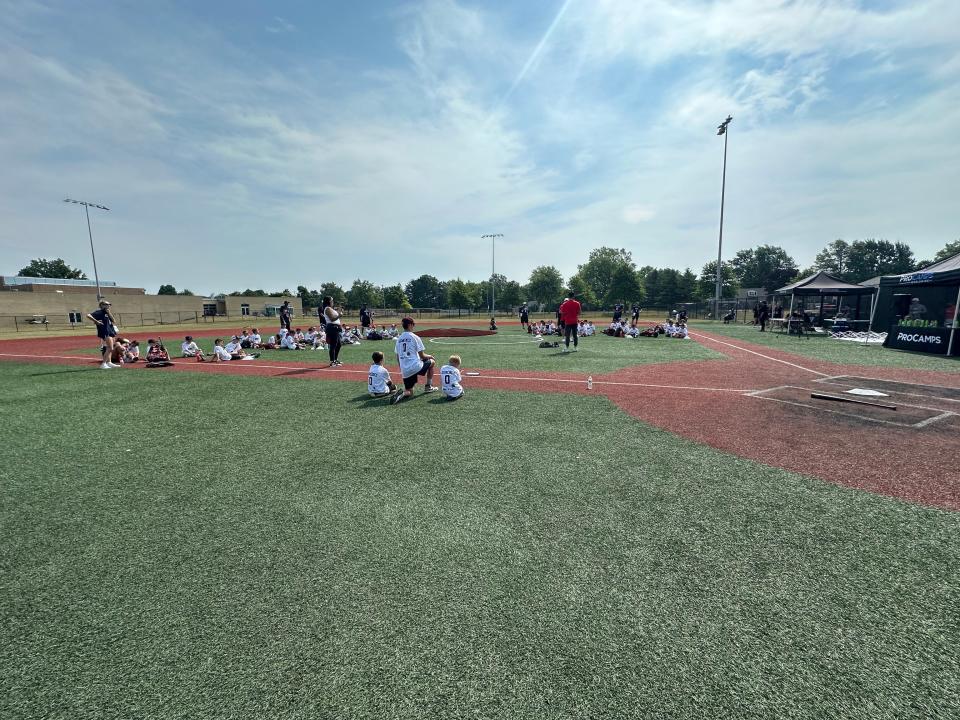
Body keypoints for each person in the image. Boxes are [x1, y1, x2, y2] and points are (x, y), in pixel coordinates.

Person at [390, 317, 436, 404]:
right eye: (413, 325)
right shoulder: (415, 337)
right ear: (410, 325)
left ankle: (403, 393)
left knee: (409, 392)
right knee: (432, 362)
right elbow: (422, 356)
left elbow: (398, 357)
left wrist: (402, 369)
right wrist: (430, 356)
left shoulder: (399, 339)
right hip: (415, 366)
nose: (413, 326)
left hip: (405, 370)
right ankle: (428, 386)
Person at [87, 300, 119, 370]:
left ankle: (109, 362)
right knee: (110, 348)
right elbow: (88, 315)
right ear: (102, 305)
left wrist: (109, 313)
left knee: (110, 348)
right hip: (105, 332)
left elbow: (114, 321)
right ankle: (103, 363)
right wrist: (96, 321)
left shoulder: (107, 312)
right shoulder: (99, 312)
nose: (108, 306)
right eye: (107, 304)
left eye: (109, 304)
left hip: (111, 331)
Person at [320, 296, 343, 366]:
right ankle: (332, 361)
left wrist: (339, 312)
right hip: (332, 327)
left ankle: (335, 360)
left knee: (338, 344)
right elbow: (332, 319)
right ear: (329, 301)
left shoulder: (330, 309)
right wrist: (339, 315)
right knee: (333, 345)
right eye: (332, 300)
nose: (333, 302)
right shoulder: (327, 309)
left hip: (335, 327)